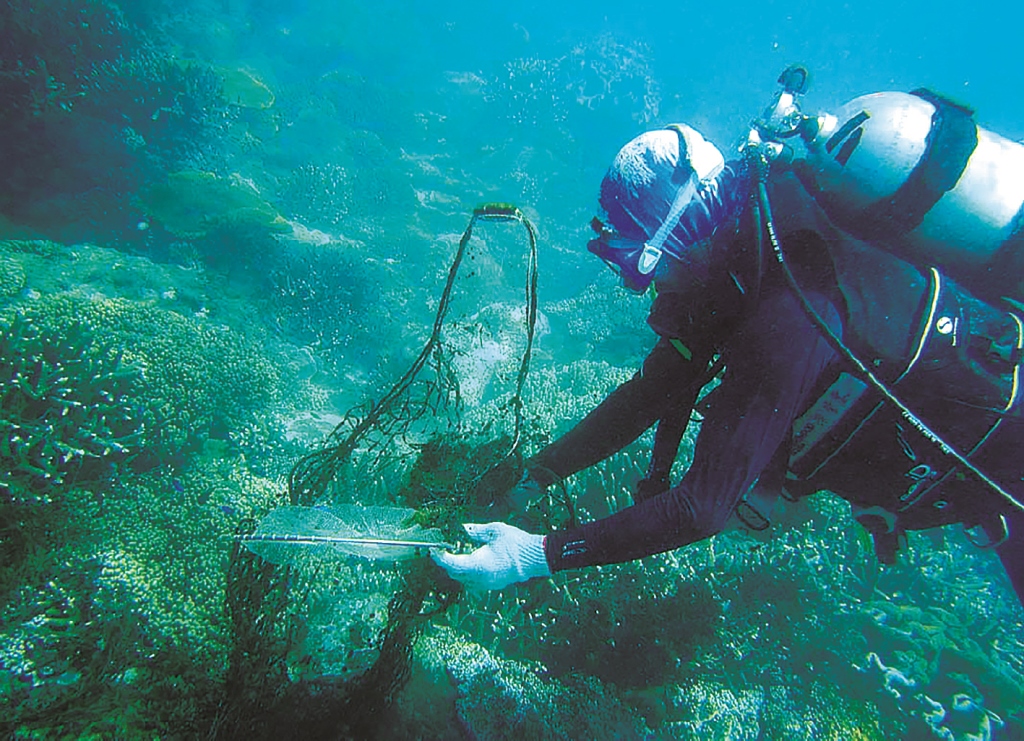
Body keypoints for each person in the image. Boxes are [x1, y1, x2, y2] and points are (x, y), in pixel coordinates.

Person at [431, 109, 1024, 606]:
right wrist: (538, 475)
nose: (637, 283)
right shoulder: (738, 260)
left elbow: (702, 507)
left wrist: (533, 556)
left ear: (675, 232)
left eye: (637, 261)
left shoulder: (789, 312)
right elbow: (654, 389)